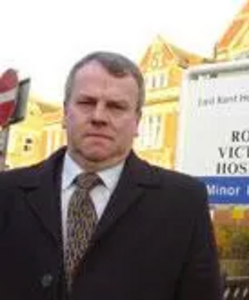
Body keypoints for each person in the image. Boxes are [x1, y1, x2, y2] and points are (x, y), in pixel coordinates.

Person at [0, 51, 222, 300]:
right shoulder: (7, 192)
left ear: (137, 122)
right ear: (65, 112)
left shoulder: (183, 203)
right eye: (86, 103)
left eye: (116, 107)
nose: (98, 117)